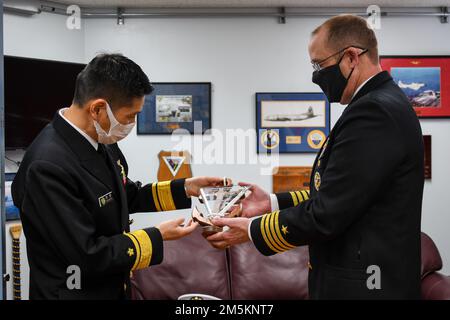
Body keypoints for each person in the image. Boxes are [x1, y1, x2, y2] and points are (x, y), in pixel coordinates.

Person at [206, 15, 424, 299]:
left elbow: (327, 214)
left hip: (367, 288)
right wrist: (270, 203)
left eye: (319, 65)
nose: (315, 75)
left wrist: (251, 230)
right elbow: (336, 192)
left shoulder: (374, 112)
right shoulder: (377, 104)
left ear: (350, 58)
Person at [12, 53, 225, 299]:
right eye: (130, 116)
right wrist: (157, 236)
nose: (131, 124)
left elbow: (124, 194)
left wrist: (186, 187)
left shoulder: (102, 138)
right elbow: (86, 253)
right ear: (98, 109)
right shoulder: (47, 166)